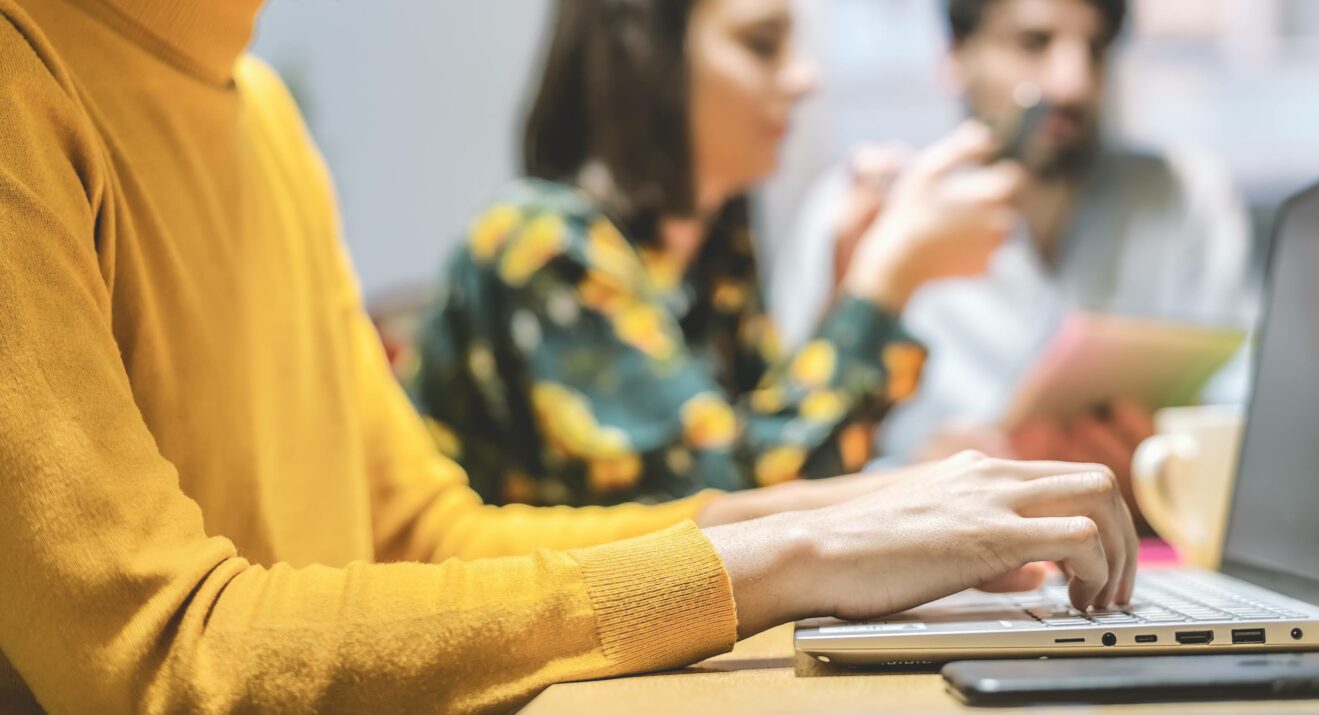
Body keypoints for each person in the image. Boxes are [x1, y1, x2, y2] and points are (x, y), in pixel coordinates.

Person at [0, 0, 1136, 711]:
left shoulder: (258, 108)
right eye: (762, 42)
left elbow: (421, 538)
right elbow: (153, 659)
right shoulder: (26, 83)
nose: (804, 80)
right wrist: (803, 541)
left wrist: (871, 509)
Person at [406, 0, 1025, 508]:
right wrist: (882, 284)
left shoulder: (712, 254)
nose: (804, 75)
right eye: (762, 43)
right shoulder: (541, 245)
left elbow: (777, 475)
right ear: (646, 54)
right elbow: (724, 519)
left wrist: (846, 298)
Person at [767, 0, 1255, 515]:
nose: (1073, 83)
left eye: (1095, 48)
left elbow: (1246, 415)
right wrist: (913, 479)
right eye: (1033, 43)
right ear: (955, 55)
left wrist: (1175, 467)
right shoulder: (862, 210)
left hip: (1137, 554)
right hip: (933, 576)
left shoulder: (1184, 197)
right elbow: (778, 462)